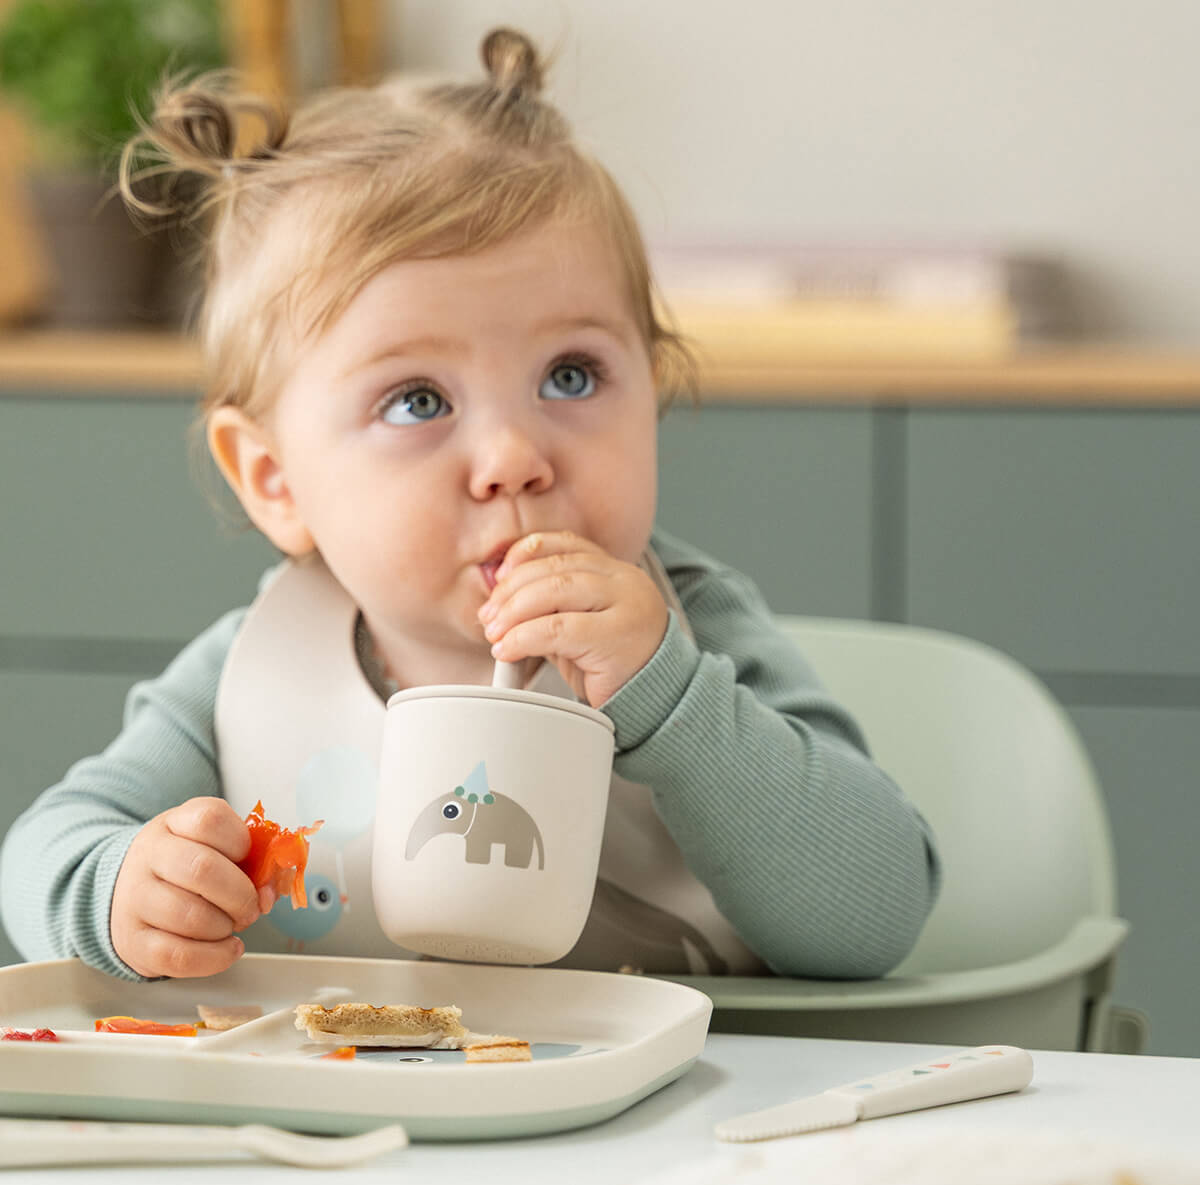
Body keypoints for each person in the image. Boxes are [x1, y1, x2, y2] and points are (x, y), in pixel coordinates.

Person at [0, 28, 939, 984]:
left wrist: (673, 700)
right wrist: (119, 892)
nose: (513, 458)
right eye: (417, 401)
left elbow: (877, 915)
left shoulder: (695, 631)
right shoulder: (253, 675)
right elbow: (47, 846)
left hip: (689, 1117)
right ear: (276, 480)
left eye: (571, 375)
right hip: (353, 1121)